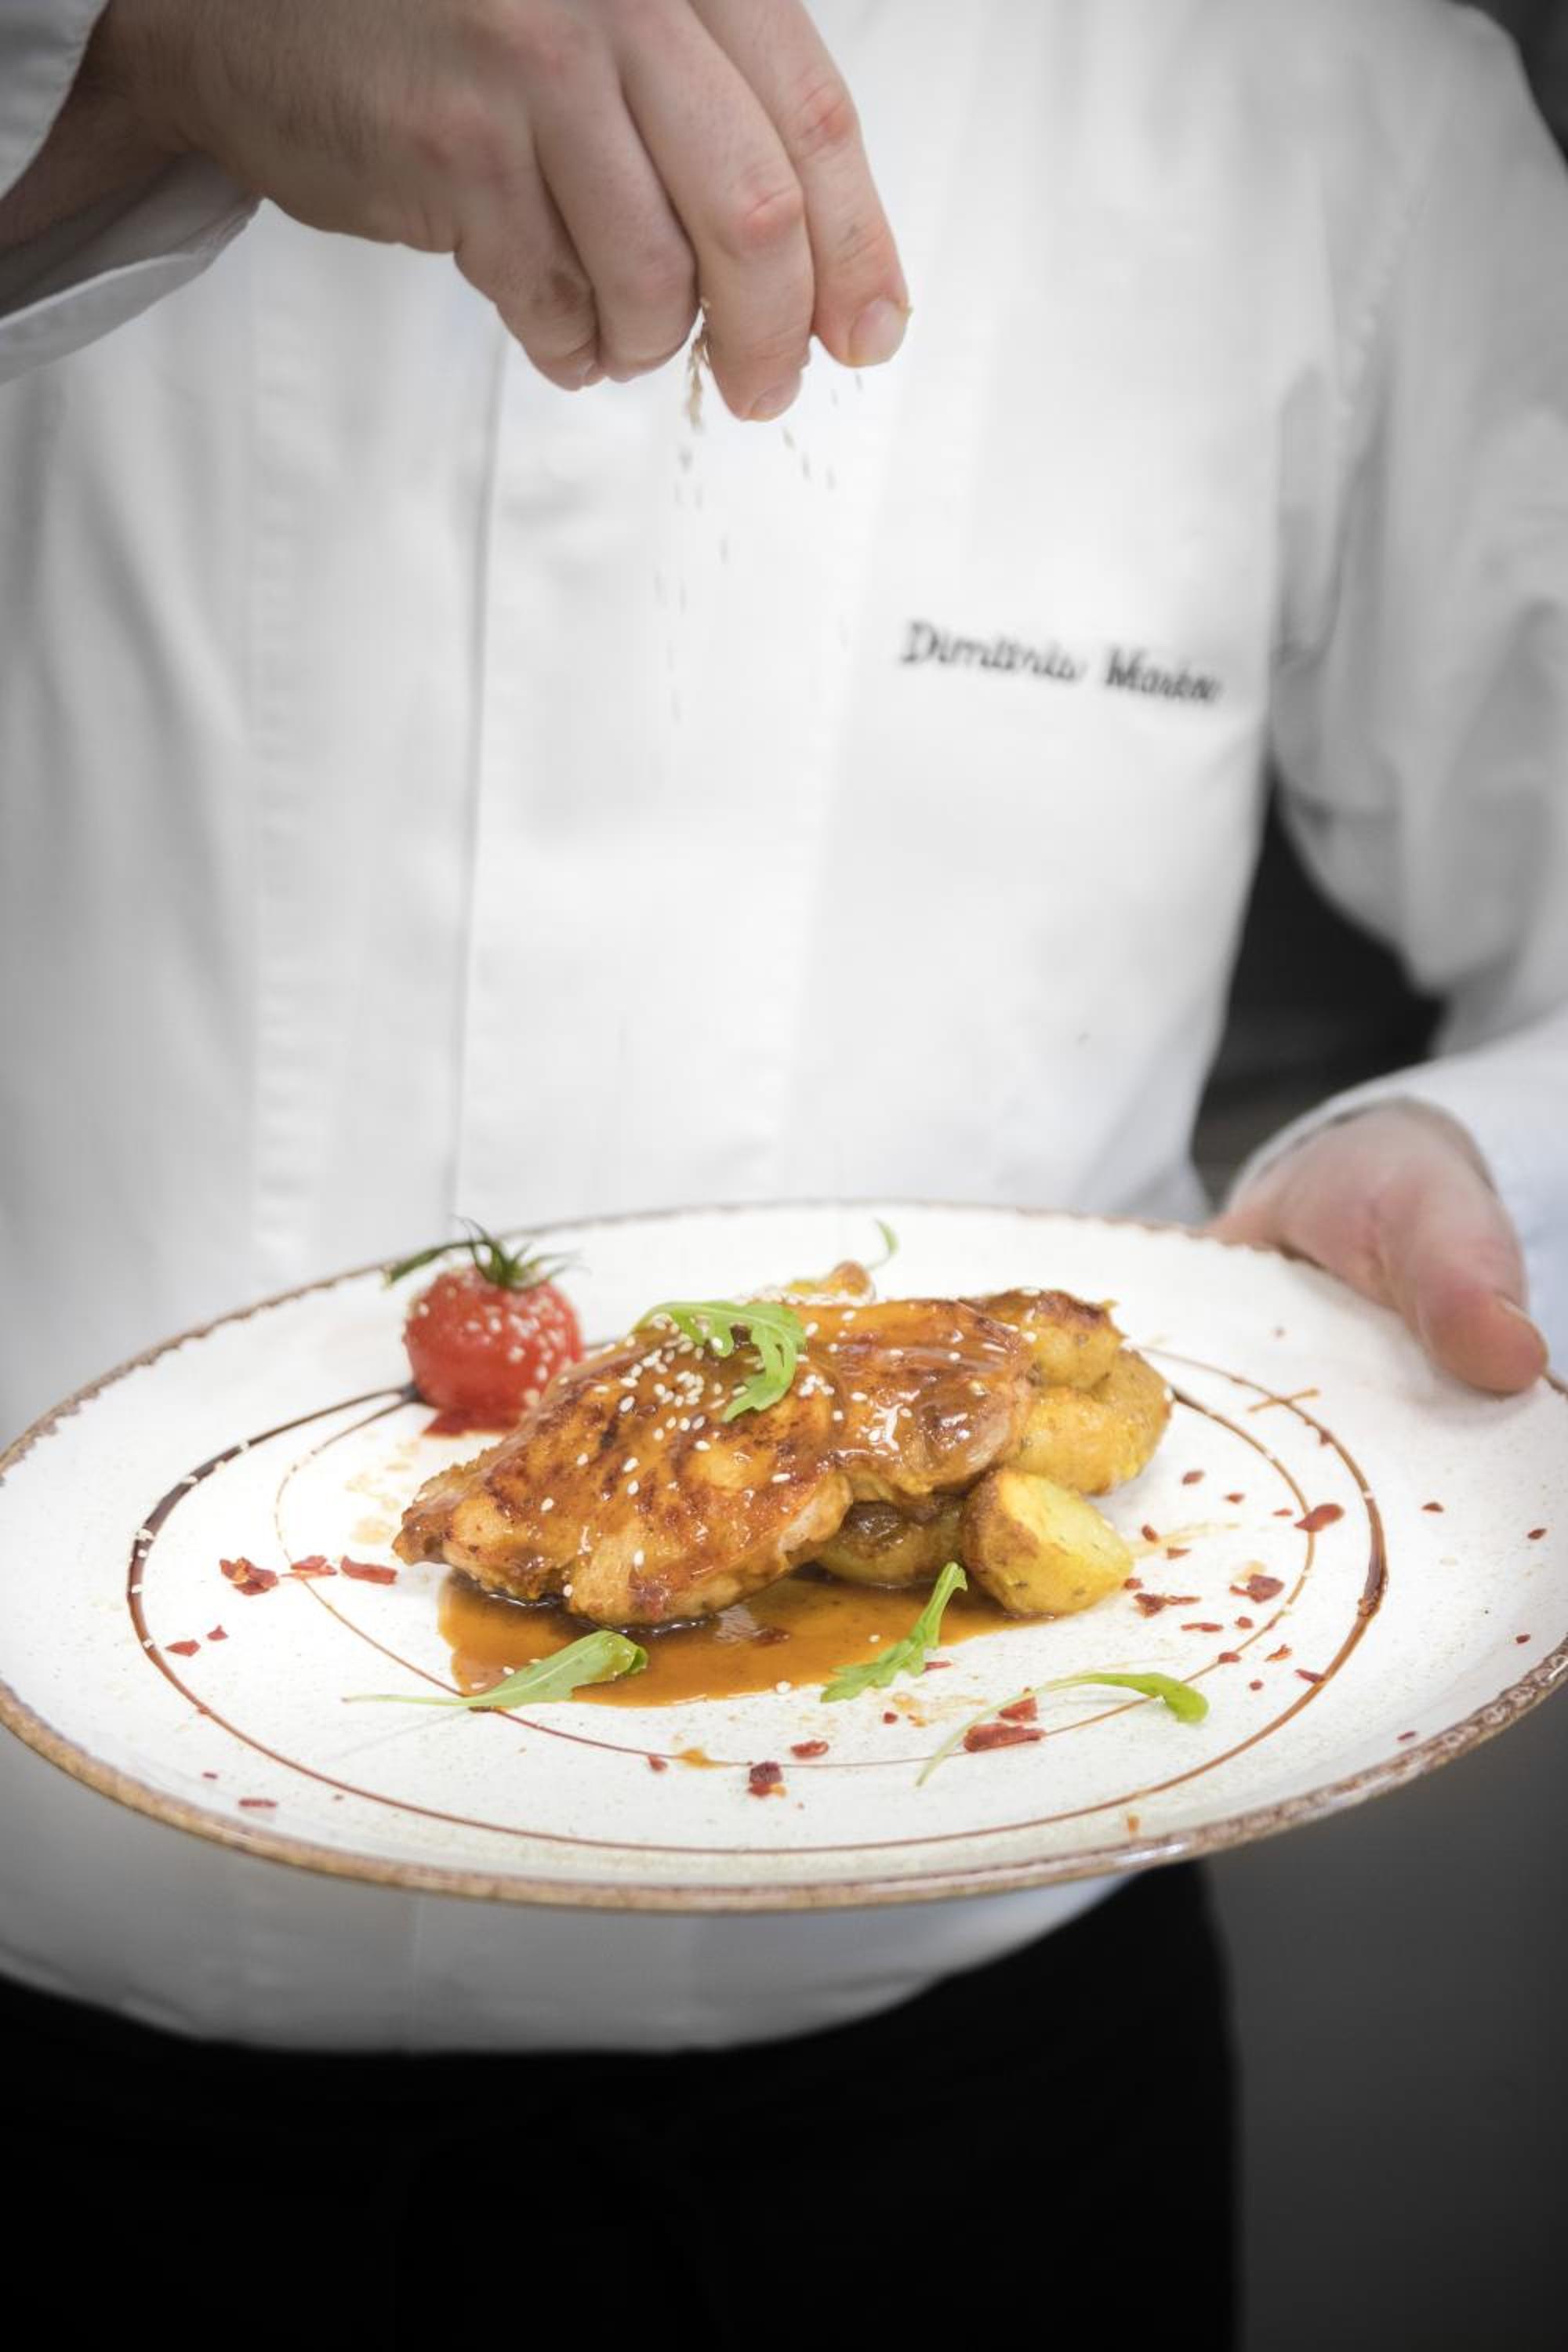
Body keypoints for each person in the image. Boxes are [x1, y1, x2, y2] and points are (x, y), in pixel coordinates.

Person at [0, 2, 1564, 2339]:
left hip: (977, 2092)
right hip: (50, 2049)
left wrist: (1462, 1159)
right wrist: (121, 68)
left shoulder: (1333, 75)